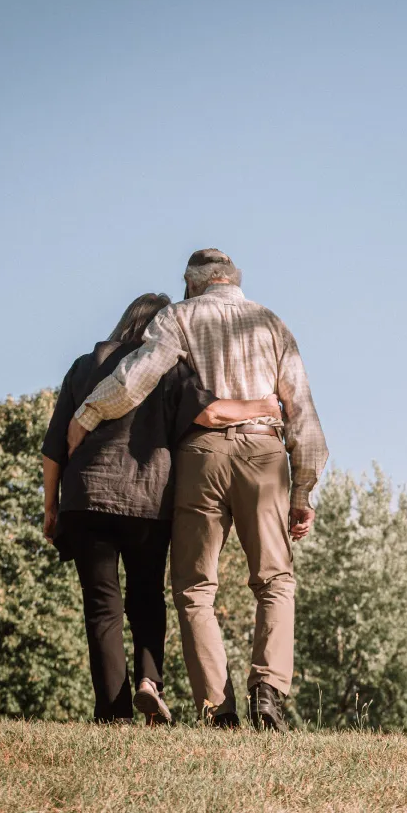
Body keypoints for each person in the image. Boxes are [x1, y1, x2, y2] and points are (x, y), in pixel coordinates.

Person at [66, 249, 328, 731]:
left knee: (194, 587)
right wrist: (302, 492)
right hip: (264, 453)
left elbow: (136, 379)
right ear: (233, 280)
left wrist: (87, 413)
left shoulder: (177, 316)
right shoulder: (272, 324)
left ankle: (218, 709)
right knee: (274, 579)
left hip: (200, 456)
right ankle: (268, 691)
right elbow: (304, 415)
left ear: (194, 283)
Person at [41, 292, 279, 724]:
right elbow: (210, 414)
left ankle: (112, 713)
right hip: (148, 501)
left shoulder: (83, 366)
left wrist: (50, 507)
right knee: (147, 596)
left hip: (85, 498)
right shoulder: (170, 367)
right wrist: (263, 406)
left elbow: (54, 447)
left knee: (102, 607)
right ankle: (151, 682)